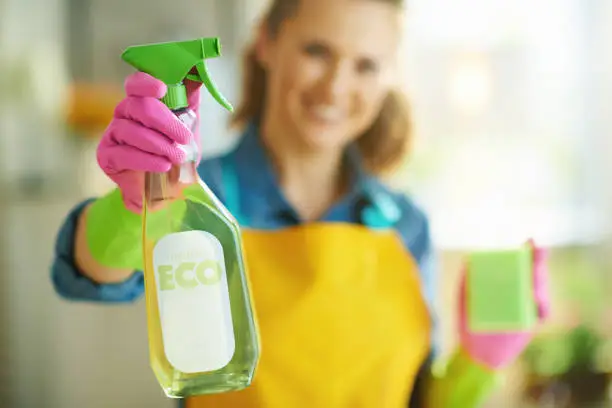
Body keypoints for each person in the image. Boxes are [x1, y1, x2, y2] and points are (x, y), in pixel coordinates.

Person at [51, 0, 550, 407]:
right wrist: (134, 207)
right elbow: (89, 277)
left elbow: (420, 399)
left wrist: (481, 363)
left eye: (366, 65)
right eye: (317, 50)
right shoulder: (201, 194)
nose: (335, 86)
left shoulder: (405, 225)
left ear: (388, 77)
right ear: (267, 42)